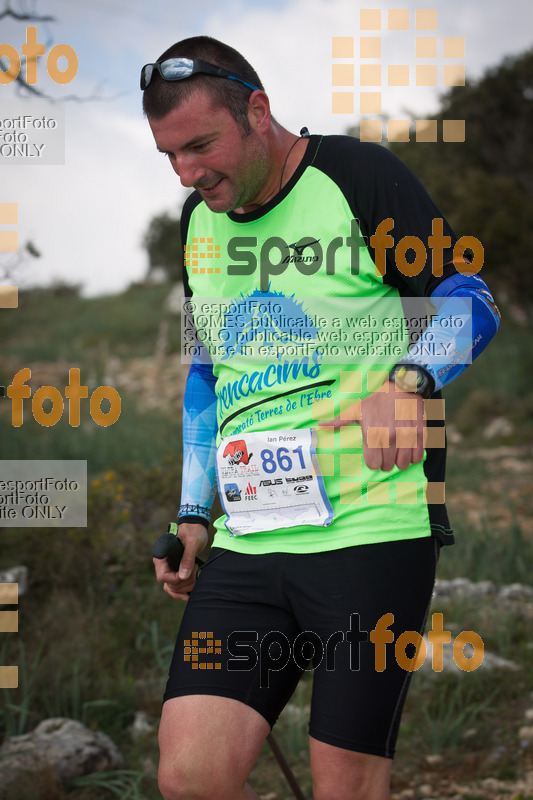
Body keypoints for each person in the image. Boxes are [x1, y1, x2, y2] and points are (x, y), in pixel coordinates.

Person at [142, 36, 500, 800]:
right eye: (170, 157)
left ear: (258, 112)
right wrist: (192, 514)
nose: (189, 174)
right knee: (189, 776)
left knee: (345, 786)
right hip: (247, 538)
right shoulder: (196, 224)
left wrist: (408, 382)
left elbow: (469, 301)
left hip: (369, 528)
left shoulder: (355, 176)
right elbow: (206, 378)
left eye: (201, 146)